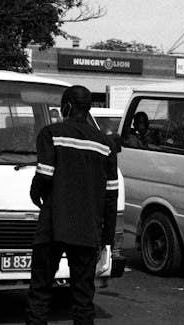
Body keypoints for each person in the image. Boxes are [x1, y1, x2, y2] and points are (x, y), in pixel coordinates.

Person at [25, 85, 119, 325]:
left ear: (66, 106)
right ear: (88, 109)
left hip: (52, 226)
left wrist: (35, 196)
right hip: (87, 230)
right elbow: (111, 196)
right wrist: (107, 240)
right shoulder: (106, 144)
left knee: (40, 292)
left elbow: (44, 176)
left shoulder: (51, 133)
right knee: (83, 298)